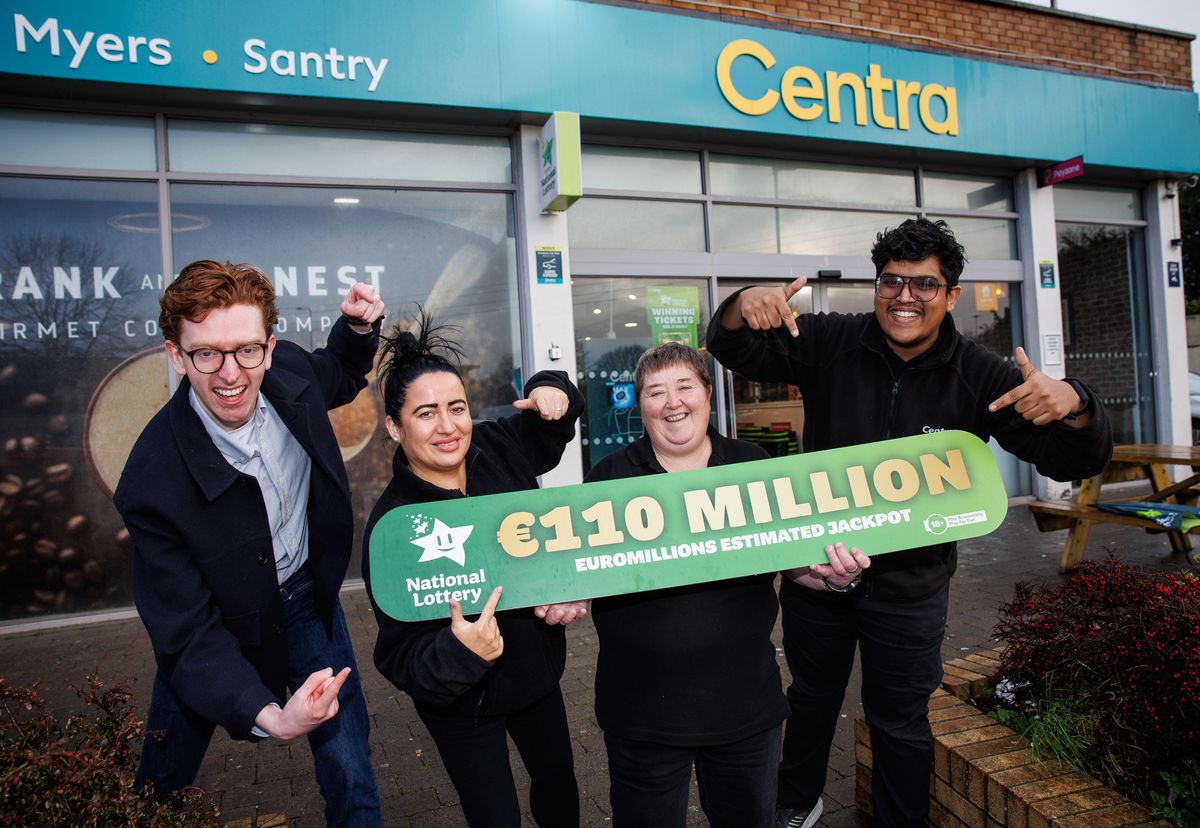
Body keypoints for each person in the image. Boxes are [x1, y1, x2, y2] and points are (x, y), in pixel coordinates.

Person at [706, 218, 1113, 828]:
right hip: (819, 575)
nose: (905, 297)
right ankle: (797, 801)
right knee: (811, 697)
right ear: (876, 287)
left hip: (912, 588)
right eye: (891, 282)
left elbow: (1072, 459)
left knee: (899, 719)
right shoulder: (831, 340)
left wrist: (1077, 404)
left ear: (952, 295)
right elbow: (732, 346)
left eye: (925, 285)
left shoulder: (980, 374)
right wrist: (742, 304)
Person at [113, 260, 386, 826]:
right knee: (160, 787)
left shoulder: (289, 373)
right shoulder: (151, 480)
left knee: (350, 766)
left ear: (270, 348)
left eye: (246, 350)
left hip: (305, 601)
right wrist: (273, 718)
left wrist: (358, 329)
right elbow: (187, 632)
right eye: (206, 354)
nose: (230, 373)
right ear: (175, 356)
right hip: (217, 621)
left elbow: (338, 370)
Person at [566, 341, 867, 828]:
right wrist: (564, 594)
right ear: (640, 404)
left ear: (708, 393)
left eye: (684, 386)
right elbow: (579, 571)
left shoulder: (753, 466)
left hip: (744, 711)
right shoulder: (609, 479)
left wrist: (835, 579)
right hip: (641, 717)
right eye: (656, 392)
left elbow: (796, 566)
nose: (673, 403)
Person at [362, 314, 583, 828]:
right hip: (461, 704)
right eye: (426, 413)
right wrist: (460, 653)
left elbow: (558, 411)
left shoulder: (500, 446)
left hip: (535, 678)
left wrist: (550, 387)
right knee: (494, 816)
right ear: (394, 427)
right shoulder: (393, 529)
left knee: (559, 790)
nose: (448, 427)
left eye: (456, 408)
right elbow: (398, 657)